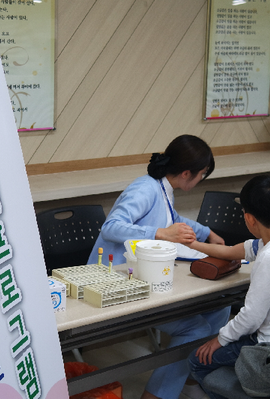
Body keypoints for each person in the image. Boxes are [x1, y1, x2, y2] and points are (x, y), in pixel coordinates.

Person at [87, 134, 230, 399]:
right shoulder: (145, 188)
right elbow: (111, 227)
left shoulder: (163, 190)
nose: (201, 180)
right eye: (202, 174)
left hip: (142, 278)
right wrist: (160, 234)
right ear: (187, 173)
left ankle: (187, 377)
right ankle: (156, 395)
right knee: (196, 328)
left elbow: (174, 220)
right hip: (116, 282)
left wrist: (206, 232)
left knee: (219, 308)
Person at [187, 175, 270, 399]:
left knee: (197, 361)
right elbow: (229, 252)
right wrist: (190, 244)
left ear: (249, 218)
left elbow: (252, 317)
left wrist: (220, 339)